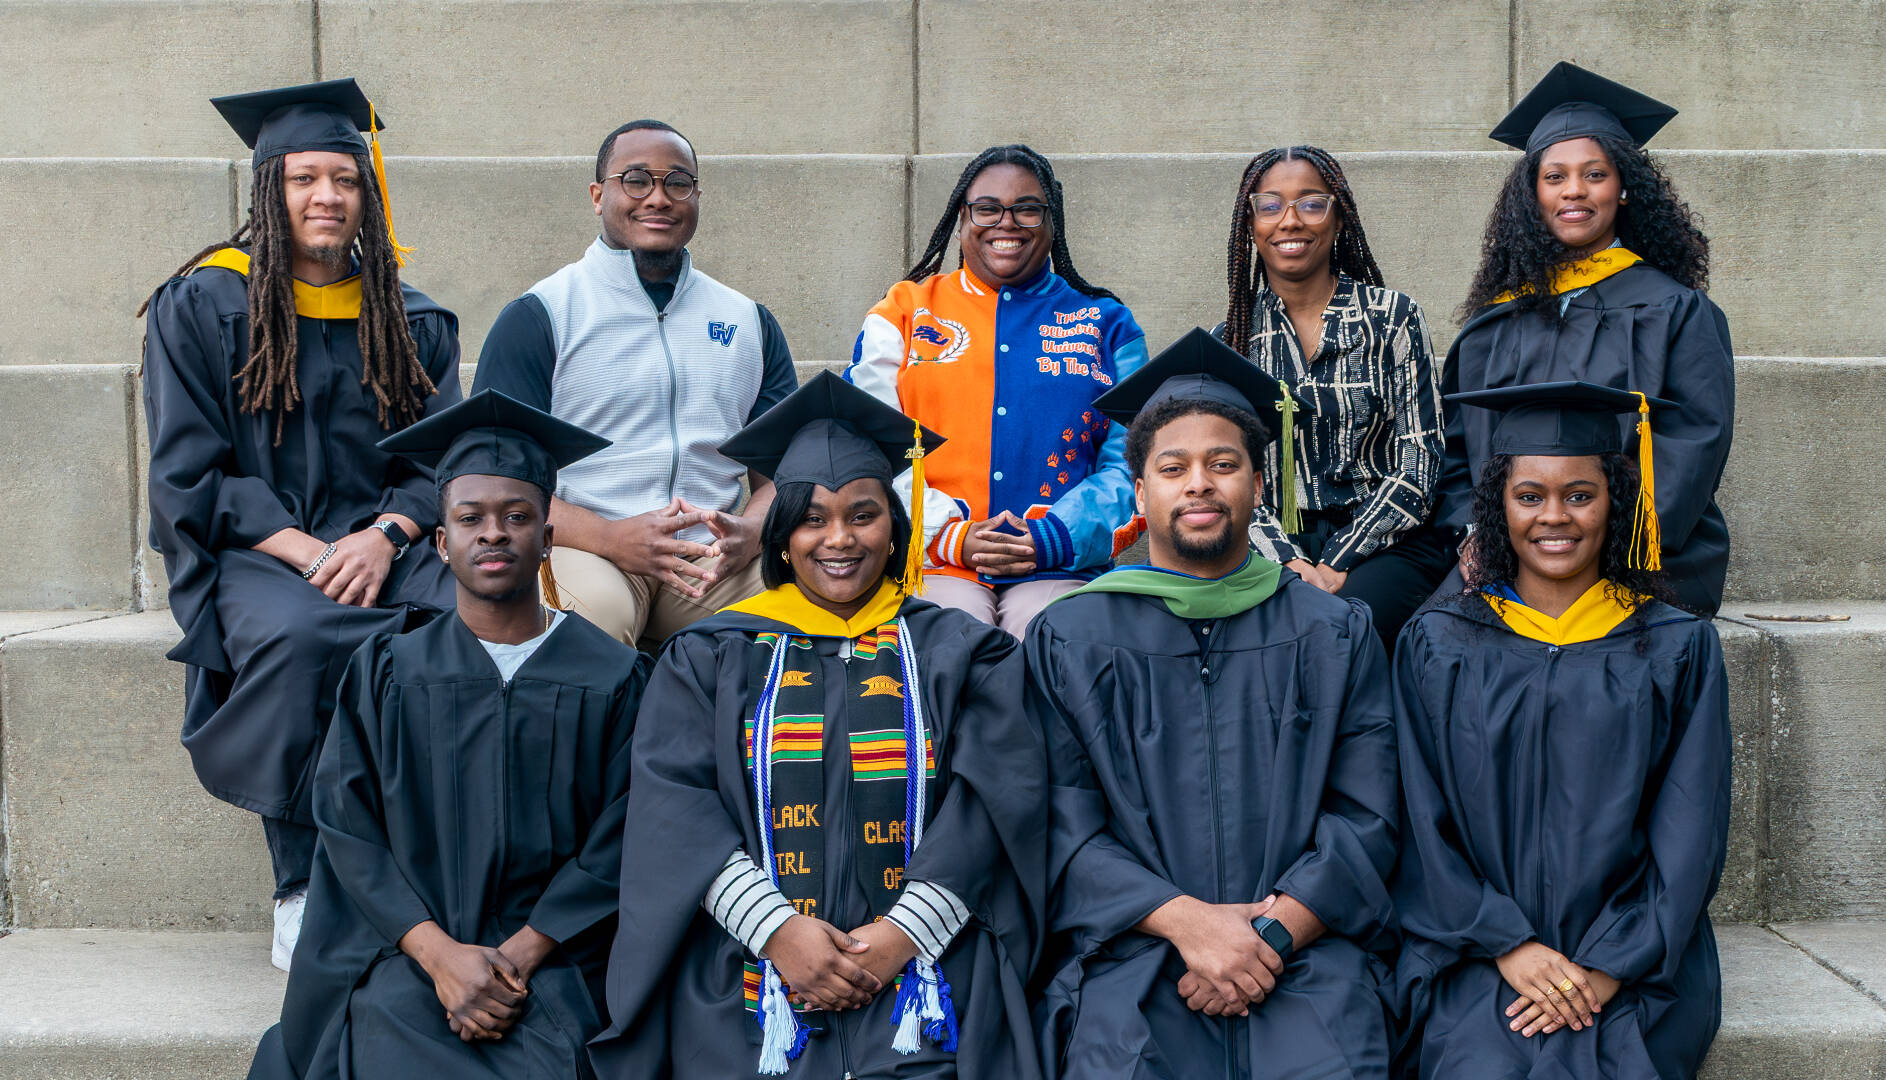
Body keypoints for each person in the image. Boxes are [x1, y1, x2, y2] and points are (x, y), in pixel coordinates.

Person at [589, 375, 1048, 1080]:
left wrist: (903, 934)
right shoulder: (710, 655)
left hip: (920, 995)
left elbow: (994, 803)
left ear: (895, 529)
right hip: (751, 998)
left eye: (863, 515)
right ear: (781, 538)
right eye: (812, 519)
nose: (839, 539)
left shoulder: (963, 653)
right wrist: (777, 931)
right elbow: (676, 809)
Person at [241, 390, 650, 1080]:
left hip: (555, 962)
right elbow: (349, 827)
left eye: (517, 516)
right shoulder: (388, 671)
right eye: (470, 518)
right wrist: (438, 956)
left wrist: (518, 954)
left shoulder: (612, 676)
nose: (493, 533)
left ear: (549, 535)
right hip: (410, 963)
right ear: (440, 541)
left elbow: (624, 834)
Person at [1030, 328, 1402, 1080]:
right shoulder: (1072, 637)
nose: (1199, 484)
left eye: (1223, 463)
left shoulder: (1332, 632)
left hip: (1306, 959)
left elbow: (1368, 815)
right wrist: (1189, 924)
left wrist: (1267, 935)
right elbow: (1060, 823)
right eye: (1173, 467)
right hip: (1139, 959)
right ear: (1139, 491)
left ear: (1260, 484)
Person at [139, 78, 461, 970]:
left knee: (463, 626)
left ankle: (432, 870)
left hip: (385, 541)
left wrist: (386, 533)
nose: (327, 196)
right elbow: (189, 471)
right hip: (256, 546)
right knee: (306, 634)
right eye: (304, 178)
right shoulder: (205, 303)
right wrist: (307, 546)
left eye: (346, 179)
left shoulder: (408, 315)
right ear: (268, 192)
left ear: (368, 193)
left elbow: (444, 461)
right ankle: (302, 884)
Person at [1393, 382, 1732, 1080]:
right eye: (1529, 495)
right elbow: (1423, 821)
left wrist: (1606, 968)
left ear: (1614, 501)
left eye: (1579, 494)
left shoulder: (1674, 647)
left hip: (1637, 965)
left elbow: (1690, 831)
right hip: (1479, 956)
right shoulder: (1439, 644)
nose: (1553, 516)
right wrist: (1508, 944)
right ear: (1497, 505)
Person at [474, 118, 798, 648]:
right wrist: (609, 537)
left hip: (708, 557)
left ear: (696, 196)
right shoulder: (544, 314)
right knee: (589, 626)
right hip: (586, 547)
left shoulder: (745, 321)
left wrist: (752, 531)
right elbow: (499, 475)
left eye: (677, 182)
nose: (659, 197)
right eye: (637, 180)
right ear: (599, 196)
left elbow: (781, 471)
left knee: (811, 603)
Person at [1435, 63, 1734, 615]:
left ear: (1624, 189)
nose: (1574, 191)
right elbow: (1458, 449)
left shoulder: (1674, 309)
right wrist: (1475, 532)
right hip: (1512, 550)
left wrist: (1607, 547)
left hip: (1640, 555)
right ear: (1533, 194)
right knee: (1432, 634)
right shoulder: (1495, 323)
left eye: (1595, 174)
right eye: (1554, 176)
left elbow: (1694, 442)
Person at [846, 144, 1148, 638]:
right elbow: (866, 446)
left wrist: (1054, 537)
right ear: (961, 219)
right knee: (947, 641)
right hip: (934, 562)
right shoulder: (904, 310)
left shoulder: (1109, 324)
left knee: (1053, 639)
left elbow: (1136, 461)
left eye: (1027, 209)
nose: (1005, 223)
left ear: (1053, 222)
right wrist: (946, 535)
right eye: (987, 208)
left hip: (1059, 565)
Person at [1218, 145, 1450, 651]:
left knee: (1343, 630)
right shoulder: (1231, 341)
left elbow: (1421, 460)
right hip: (1267, 545)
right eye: (1271, 205)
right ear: (1251, 224)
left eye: (1311, 203)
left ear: (1339, 216)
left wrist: (1338, 558)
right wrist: (1287, 560)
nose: (1291, 221)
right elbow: (1226, 474)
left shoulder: (1392, 319)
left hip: (1385, 542)